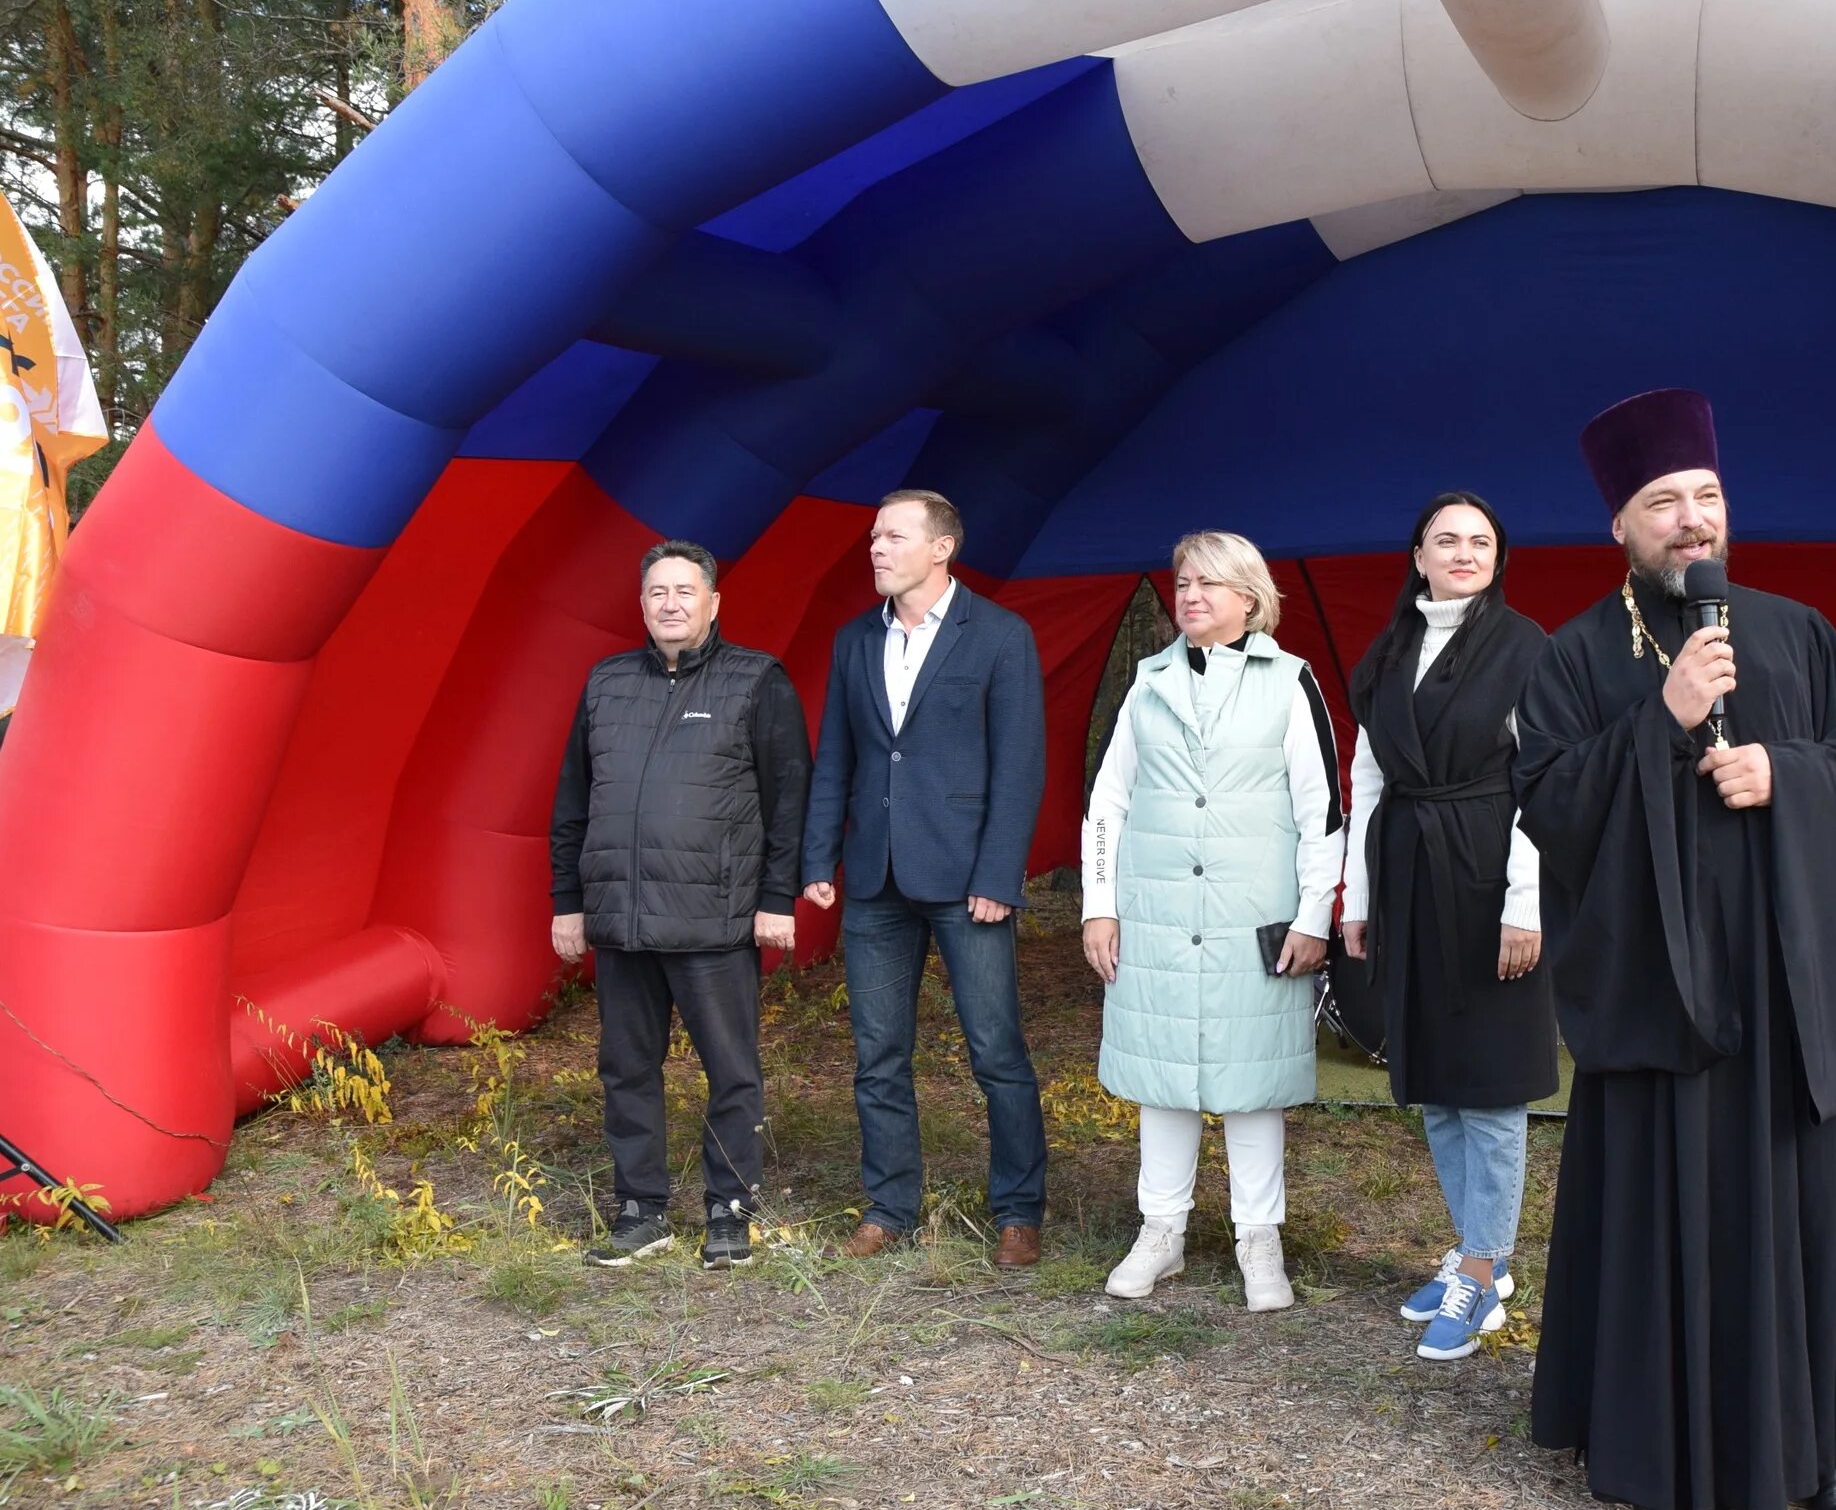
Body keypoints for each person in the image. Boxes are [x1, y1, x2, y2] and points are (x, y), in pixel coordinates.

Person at [1514, 389, 1836, 1510]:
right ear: (1620, 529)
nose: (1690, 520)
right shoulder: (1578, 656)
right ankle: (1665, 1444)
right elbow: (1545, 807)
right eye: (1661, 503)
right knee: (1671, 1208)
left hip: (1798, 996)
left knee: (1817, 1212)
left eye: (1705, 497)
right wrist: (1660, 717)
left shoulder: (1797, 630)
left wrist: (1787, 774)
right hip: (1663, 999)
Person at [1079, 532, 1344, 1313]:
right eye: (1184, 581)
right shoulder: (1147, 681)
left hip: (1250, 917)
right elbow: (1108, 800)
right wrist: (1100, 903)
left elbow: (1320, 810)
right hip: (1157, 915)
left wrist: (1313, 915)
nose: (1191, 594)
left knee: (1251, 1080)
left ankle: (1258, 1238)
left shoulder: (1293, 681)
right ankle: (1160, 1231)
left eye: (1211, 583)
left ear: (1251, 598)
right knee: (1163, 1077)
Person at [802, 490, 1049, 1266]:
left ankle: (1018, 1209)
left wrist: (999, 873)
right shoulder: (852, 641)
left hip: (966, 879)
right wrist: (816, 859)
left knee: (996, 1051)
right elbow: (836, 756)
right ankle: (889, 1208)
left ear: (942, 547)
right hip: (876, 877)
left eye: (893, 535)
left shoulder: (1001, 635)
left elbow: (1020, 764)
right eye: (874, 534)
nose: (875, 546)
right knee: (878, 1054)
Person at [551, 540, 810, 1270]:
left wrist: (777, 897)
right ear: (642, 604)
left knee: (730, 1069)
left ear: (713, 603)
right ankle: (641, 1210)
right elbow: (573, 799)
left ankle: (729, 1211)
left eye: (685, 590)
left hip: (714, 919)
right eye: (657, 591)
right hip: (622, 920)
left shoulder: (756, 680)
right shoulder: (605, 683)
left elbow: (790, 798)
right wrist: (568, 901)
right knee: (627, 1067)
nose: (670, 602)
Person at [1338, 492, 1554, 1362]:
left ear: (1498, 557)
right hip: (1409, 873)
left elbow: (1540, 778)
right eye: (1447, 540)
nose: (1464, 553)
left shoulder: (1523, 648)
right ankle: (1479, 1252)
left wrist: (1525, 902)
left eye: (1481, 541)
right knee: (1434, 1072)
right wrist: (1357, 896)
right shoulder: (1389, 650)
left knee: (1491, 1082)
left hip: (1488, 872)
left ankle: (1483, 1264)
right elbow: (1370, 778)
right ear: (1418, 554)